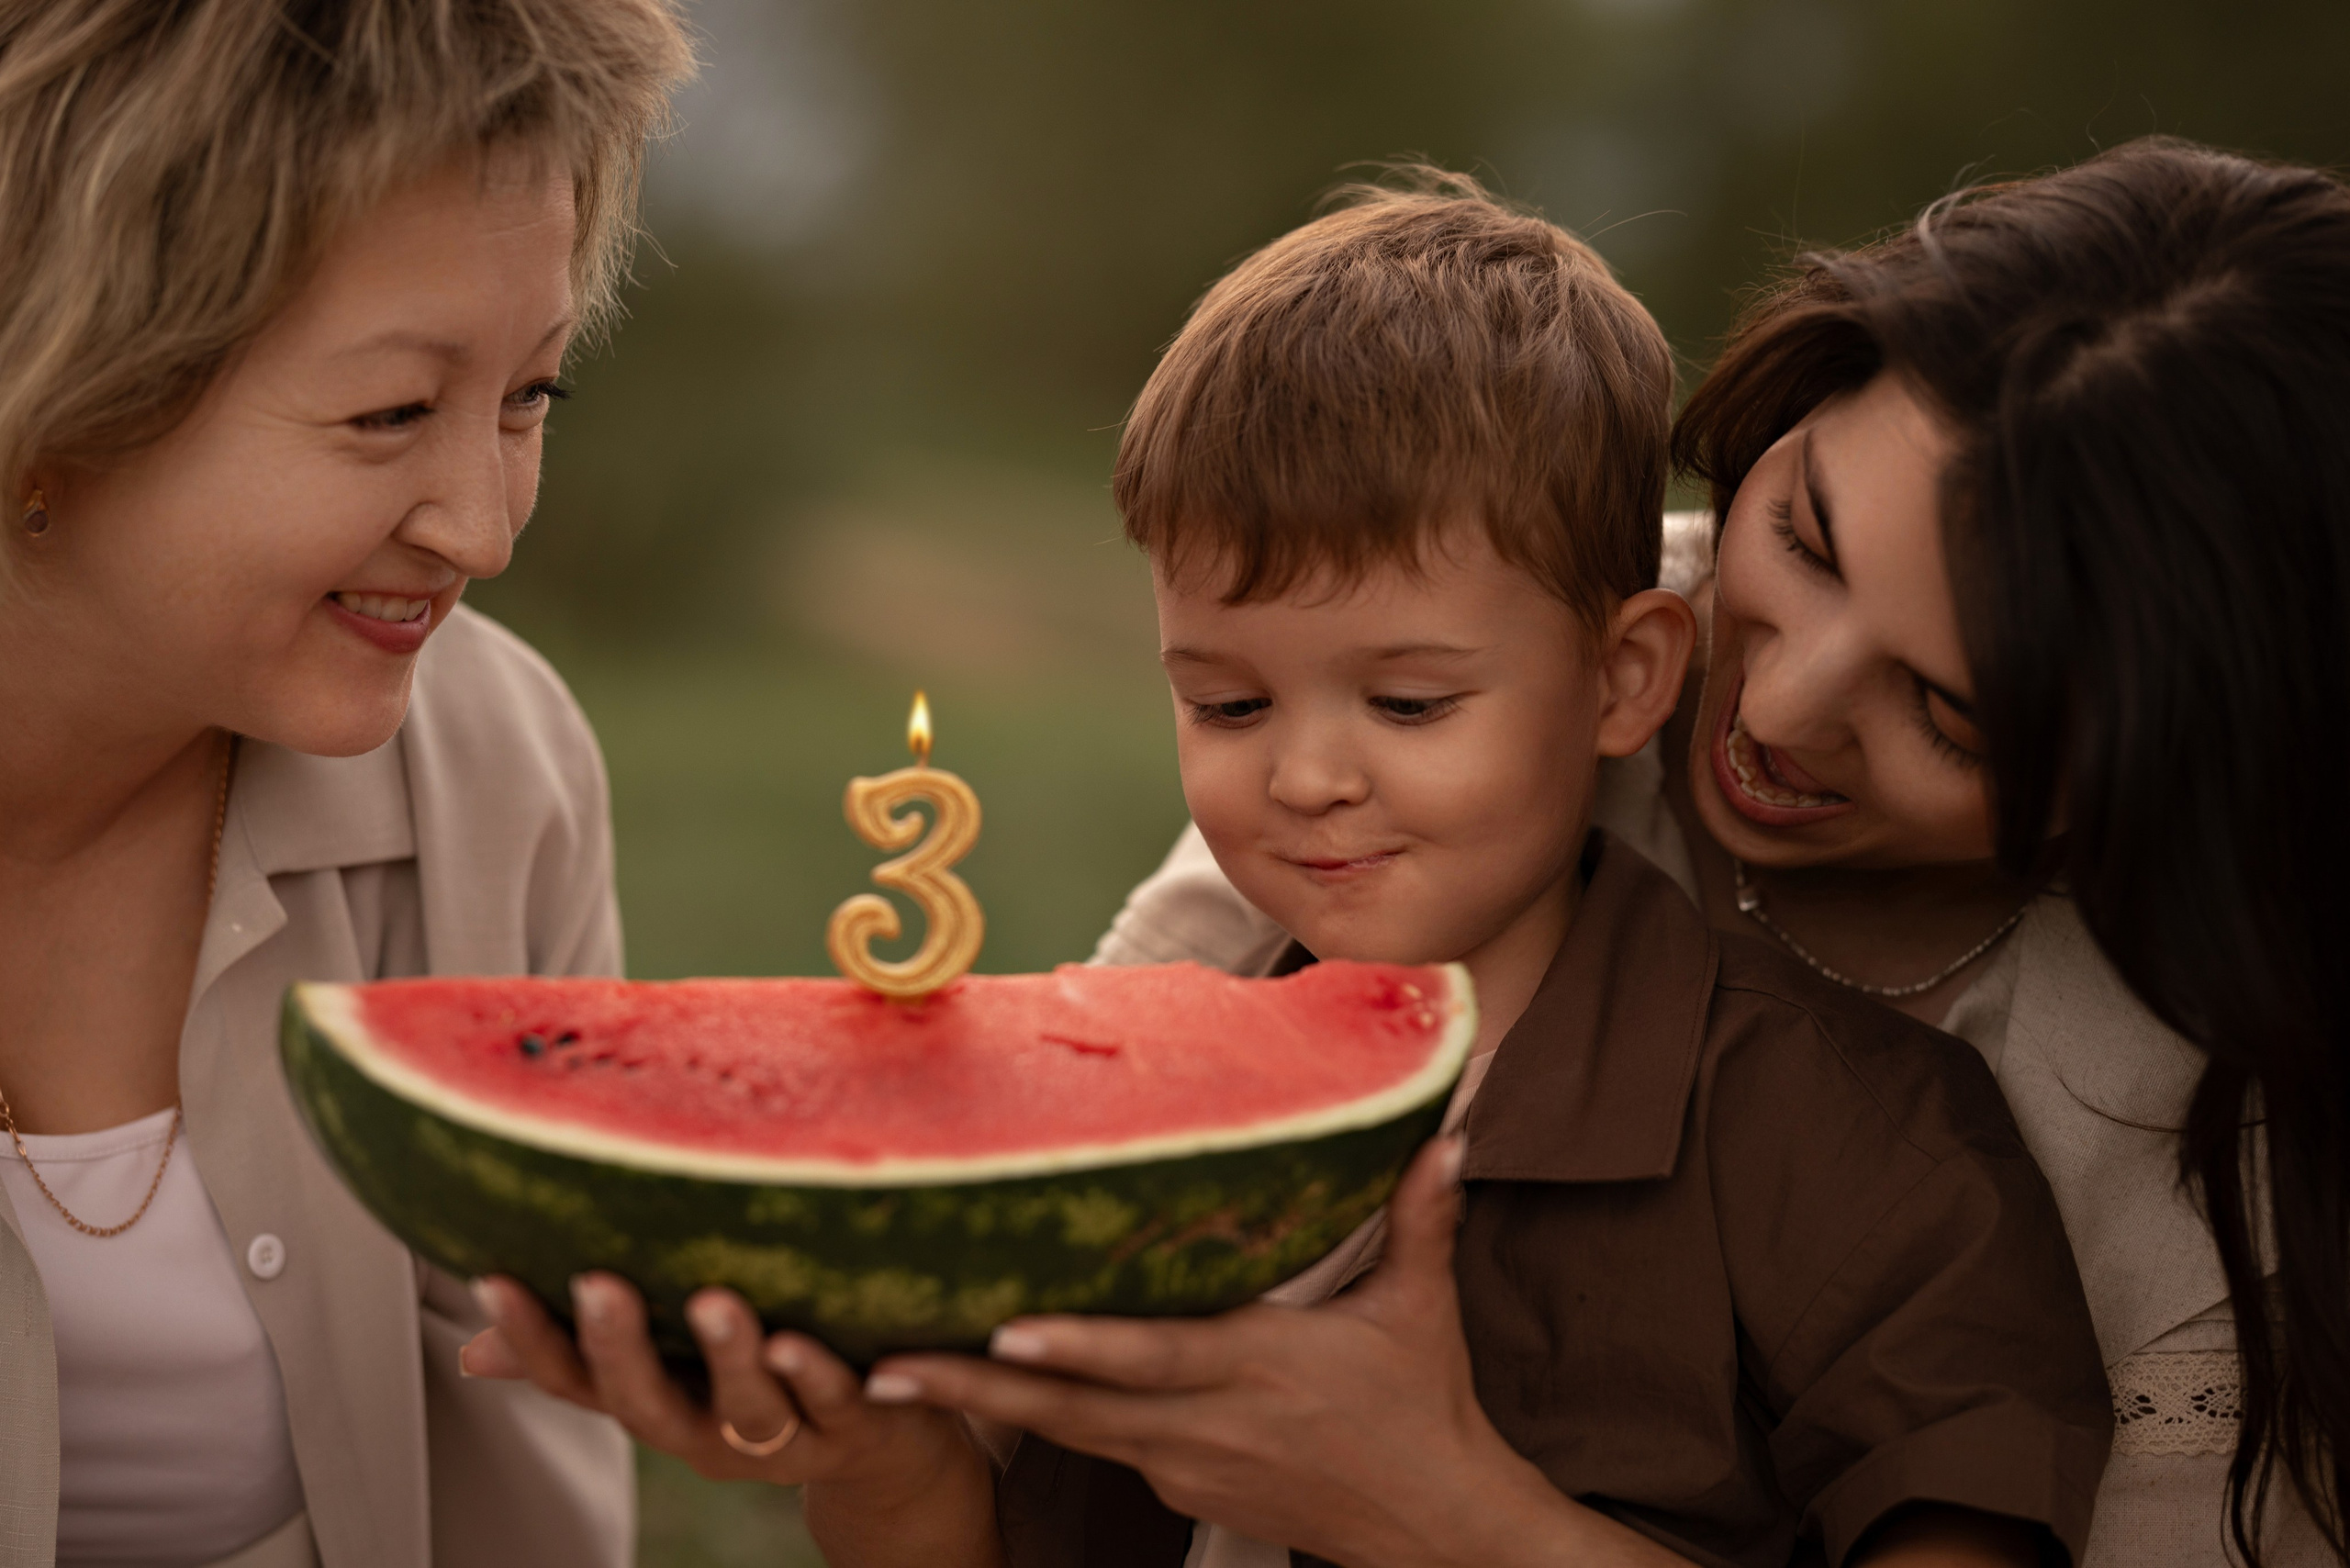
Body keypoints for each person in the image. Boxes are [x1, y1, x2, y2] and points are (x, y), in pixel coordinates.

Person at [472, 174, 2111, 1568]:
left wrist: (1457, 1512)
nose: (1308, 775)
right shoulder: (1126, 1108)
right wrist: (866, 1444)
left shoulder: (1869, 1150)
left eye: (1409, 702)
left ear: (1628, 677)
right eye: (1227, 700)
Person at [1082, 138, 2350, 1568]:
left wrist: (1454, 1519)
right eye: (1807, 537)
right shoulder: (1500, 647)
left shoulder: (2201, 1125)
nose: (1776, 704)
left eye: (1948, 712)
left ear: (2178, 779)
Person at [0, 3, 690, 1565]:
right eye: (391, 414)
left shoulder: (496, 770)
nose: (484, 528)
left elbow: (527, 1488)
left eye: (531, 398)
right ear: (57, 387)